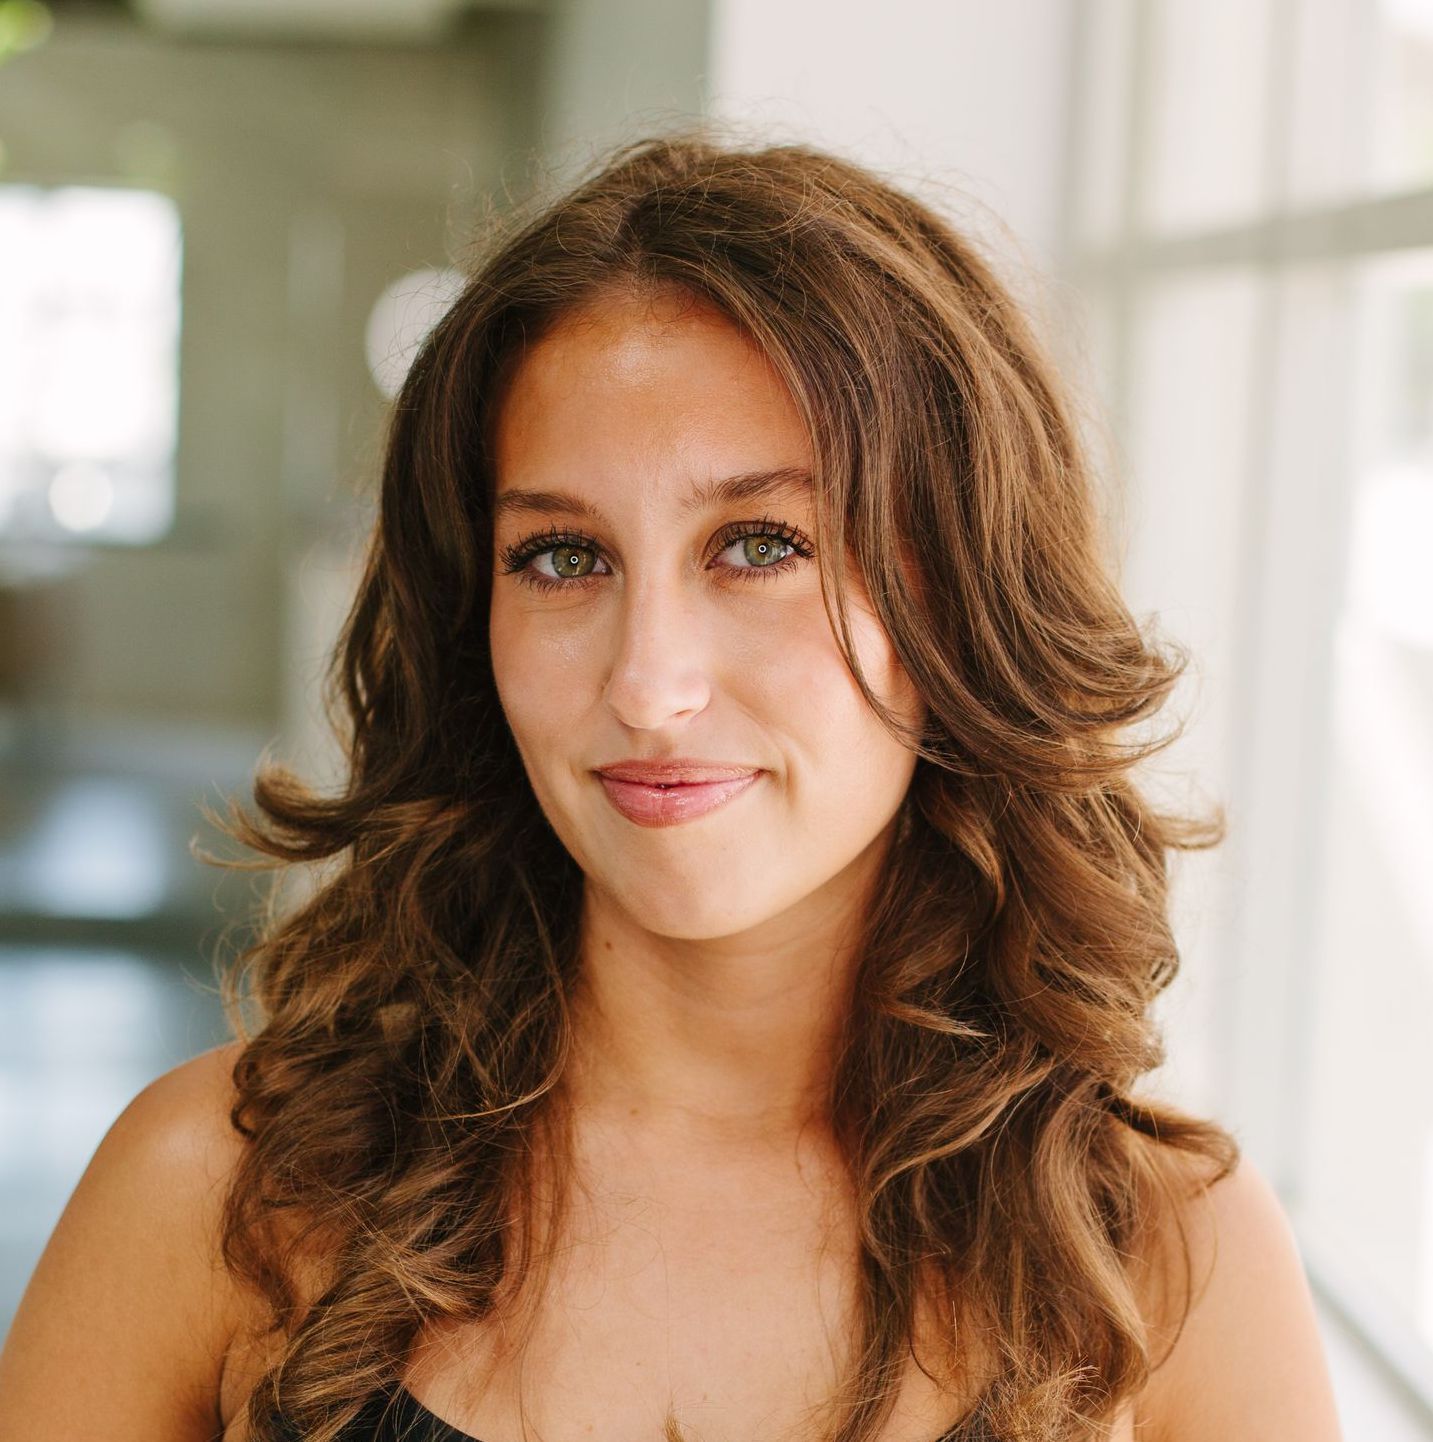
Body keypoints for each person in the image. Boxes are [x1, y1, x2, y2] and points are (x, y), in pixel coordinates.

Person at [0, 131, 1344, 1442]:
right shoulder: (217, 1189)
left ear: (963, 593)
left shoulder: (1169, 1260)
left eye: (758, 544)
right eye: (563, 555)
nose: (648, 684)